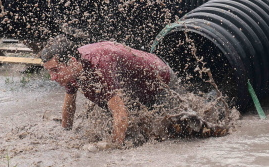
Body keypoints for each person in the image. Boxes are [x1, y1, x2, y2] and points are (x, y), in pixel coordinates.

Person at [40, 37, 172, 147]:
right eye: (49, 71)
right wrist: (65, 136)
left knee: (168, 133)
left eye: (55, 70)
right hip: (135, 90)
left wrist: (114, 149)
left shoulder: (100, 67)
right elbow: (69, 107)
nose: (52, 77)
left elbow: (120, 115)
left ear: (72, 62)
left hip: (162, 81)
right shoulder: (71, 71)